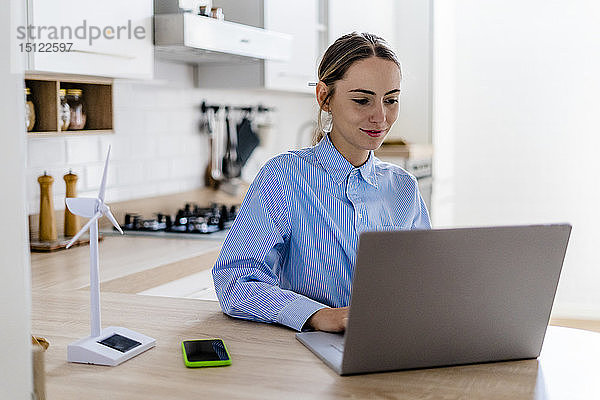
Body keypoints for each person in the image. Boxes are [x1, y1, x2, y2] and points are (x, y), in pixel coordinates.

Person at [212, 32, 431, 333]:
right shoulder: (283, 177)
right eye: (362, 100)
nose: (380, 116)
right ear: (324, 97)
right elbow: (235, 282)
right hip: (308, 355)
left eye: (391, 100)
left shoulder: (403, 187)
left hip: (390, 342)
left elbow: (424, 281)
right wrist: (315, 314)